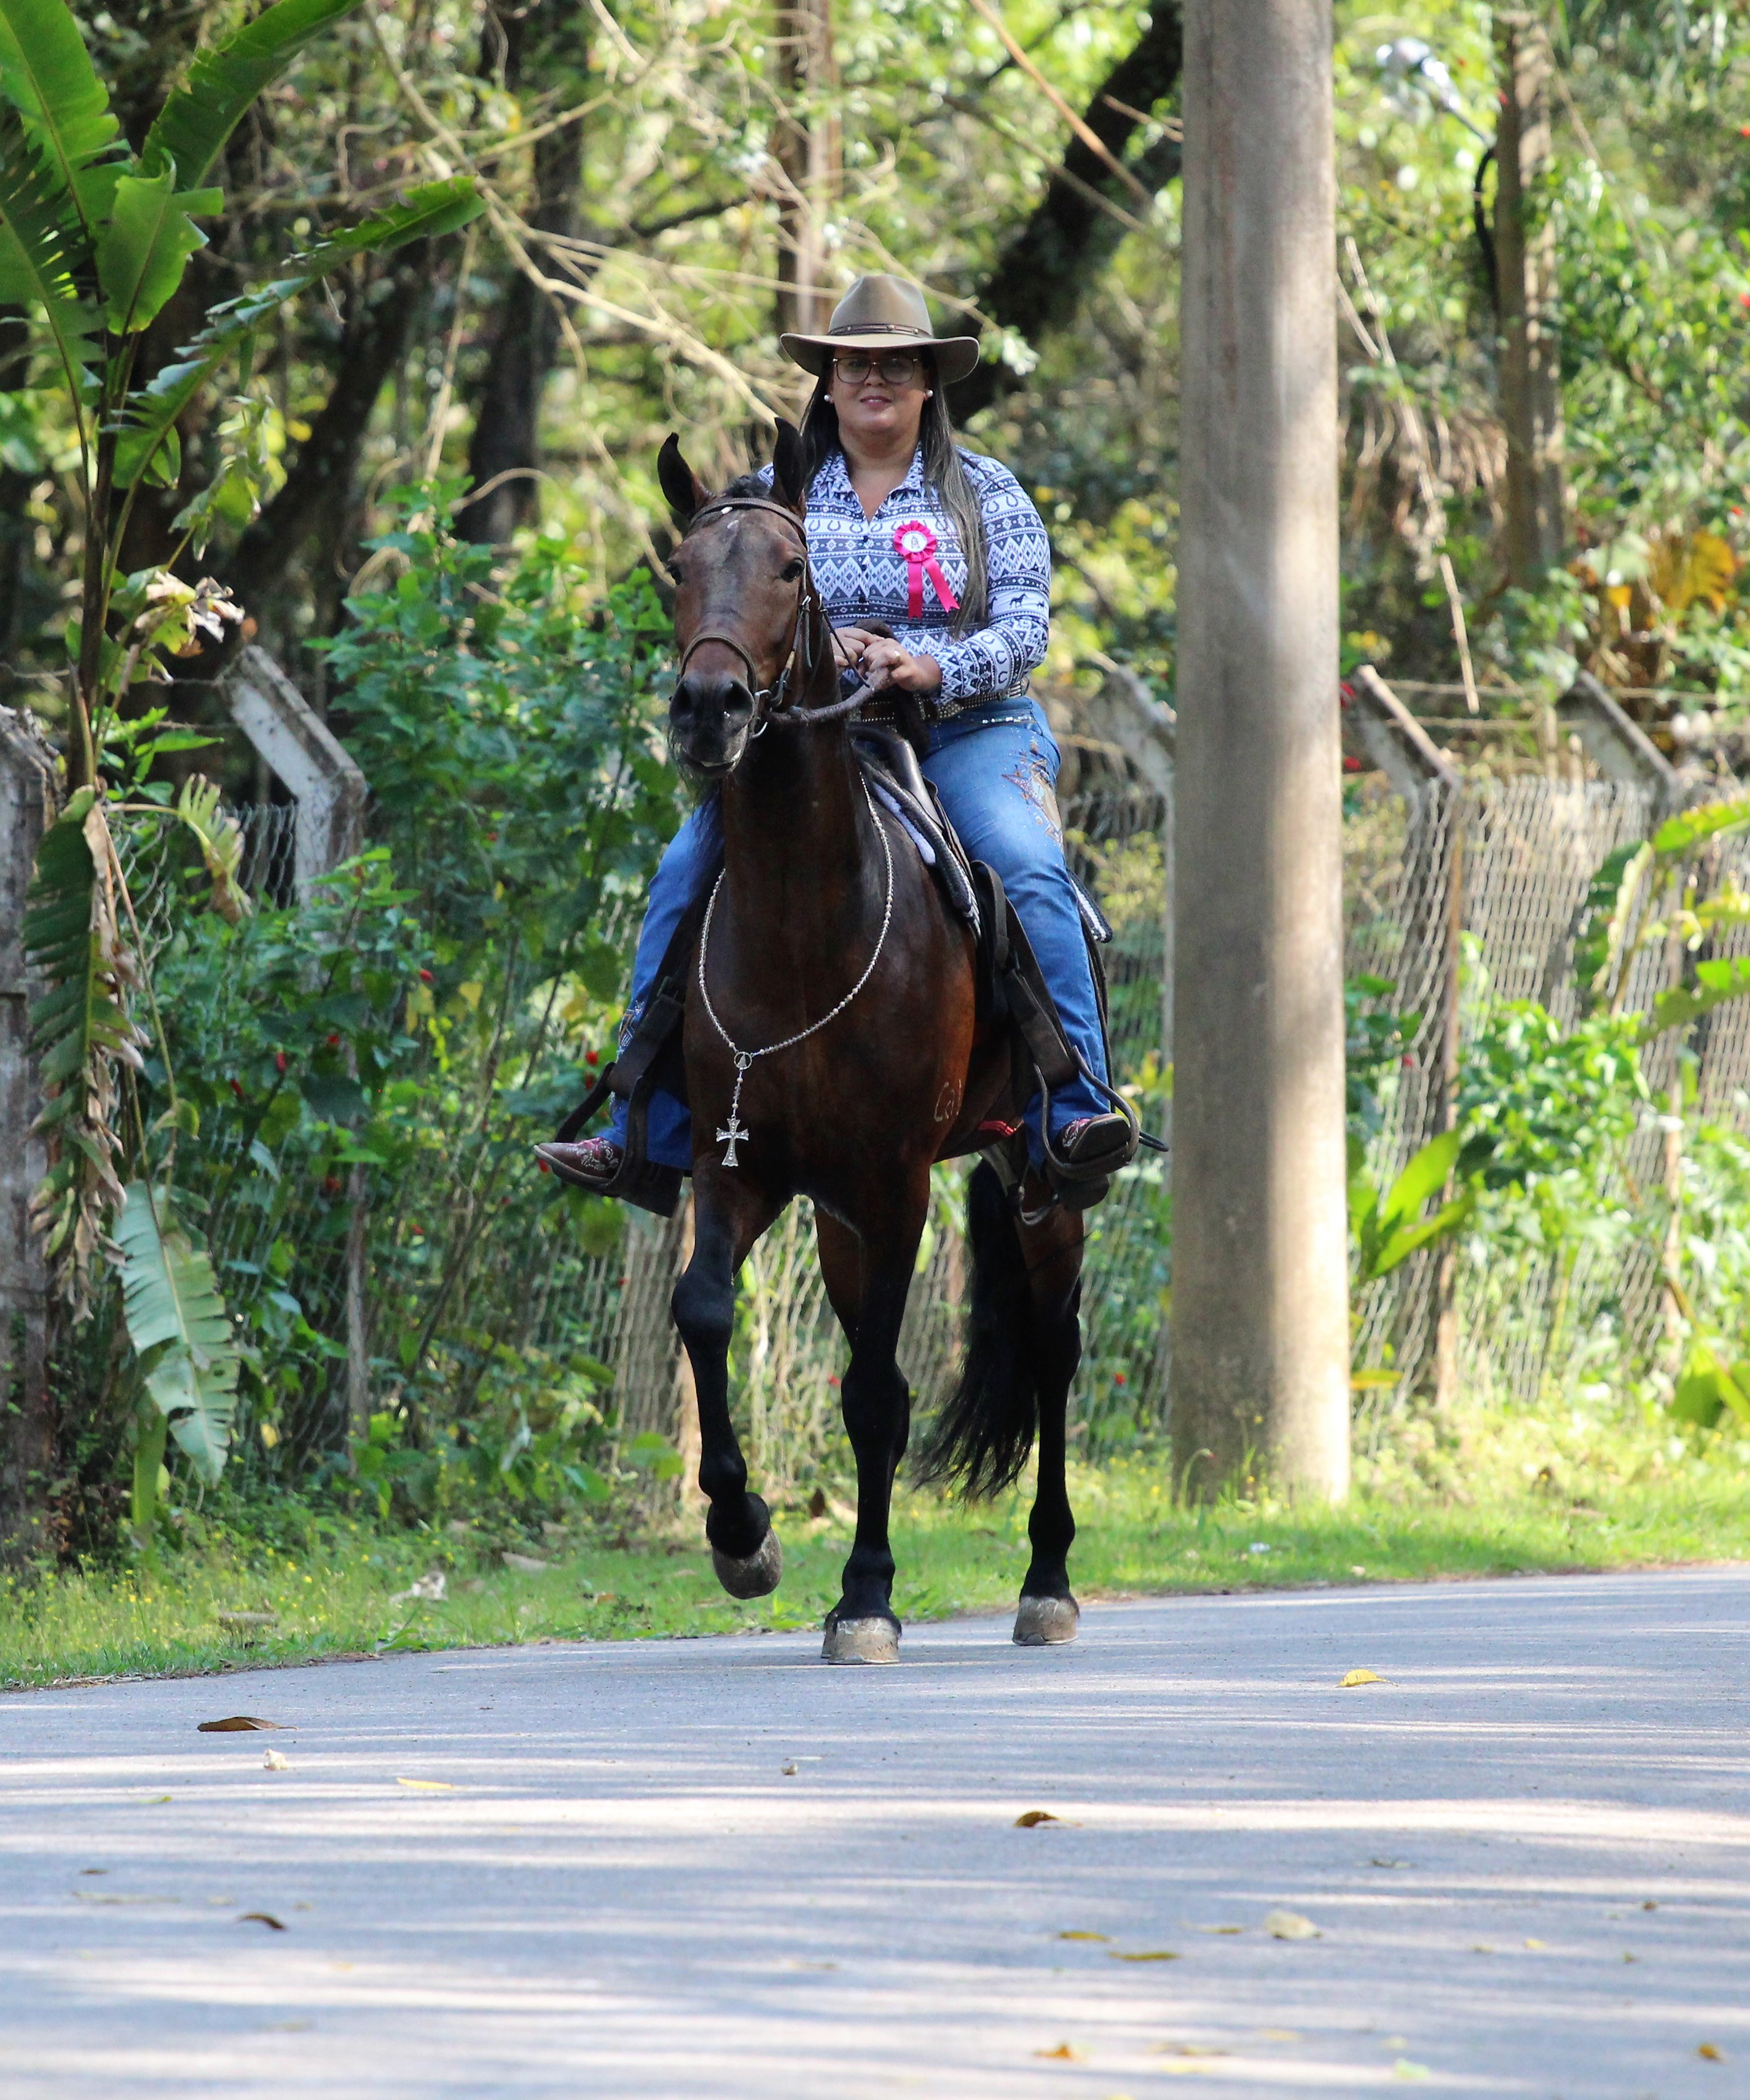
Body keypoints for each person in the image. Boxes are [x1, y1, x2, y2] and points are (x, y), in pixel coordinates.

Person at [547, 273, 1131, 1190]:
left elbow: (1025, 629)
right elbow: (732, 611)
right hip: (818, 743)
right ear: (829, 380)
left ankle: (1077, 1105)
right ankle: (642, 1129)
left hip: (969, 729)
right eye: (855, 364)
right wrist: (821, 646)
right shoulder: (768, 498)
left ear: (928, 382)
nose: (874, 380)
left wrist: (928, 664)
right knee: (680, 873)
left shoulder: (987, 492)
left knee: (1023, 862)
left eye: (896, 365)